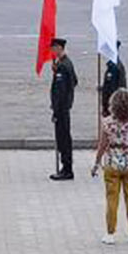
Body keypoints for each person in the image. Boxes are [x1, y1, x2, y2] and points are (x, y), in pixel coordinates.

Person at [92, 88, 128, 245]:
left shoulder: (107, 123)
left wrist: (96, 163)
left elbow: (102, 145)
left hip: (112, 164)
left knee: (112, 200)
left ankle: (110, 234)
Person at [49, 38, 77, 180]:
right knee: (64, 137)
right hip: (65, 107)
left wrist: (56, 110)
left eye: (54, 48)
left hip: (62, 109)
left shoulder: (63, 66)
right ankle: (65, 167)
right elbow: (74, 81)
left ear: (59, 48)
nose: (52, 51)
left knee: (63, 139)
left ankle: (67, 169)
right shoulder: (66, 63)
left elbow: (59, 92)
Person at [99, 45, 126, 117]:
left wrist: (106, 107)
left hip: (113, 105)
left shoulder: (115, 67)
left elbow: (117, 87)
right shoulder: (112, 65)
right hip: (111, 104)